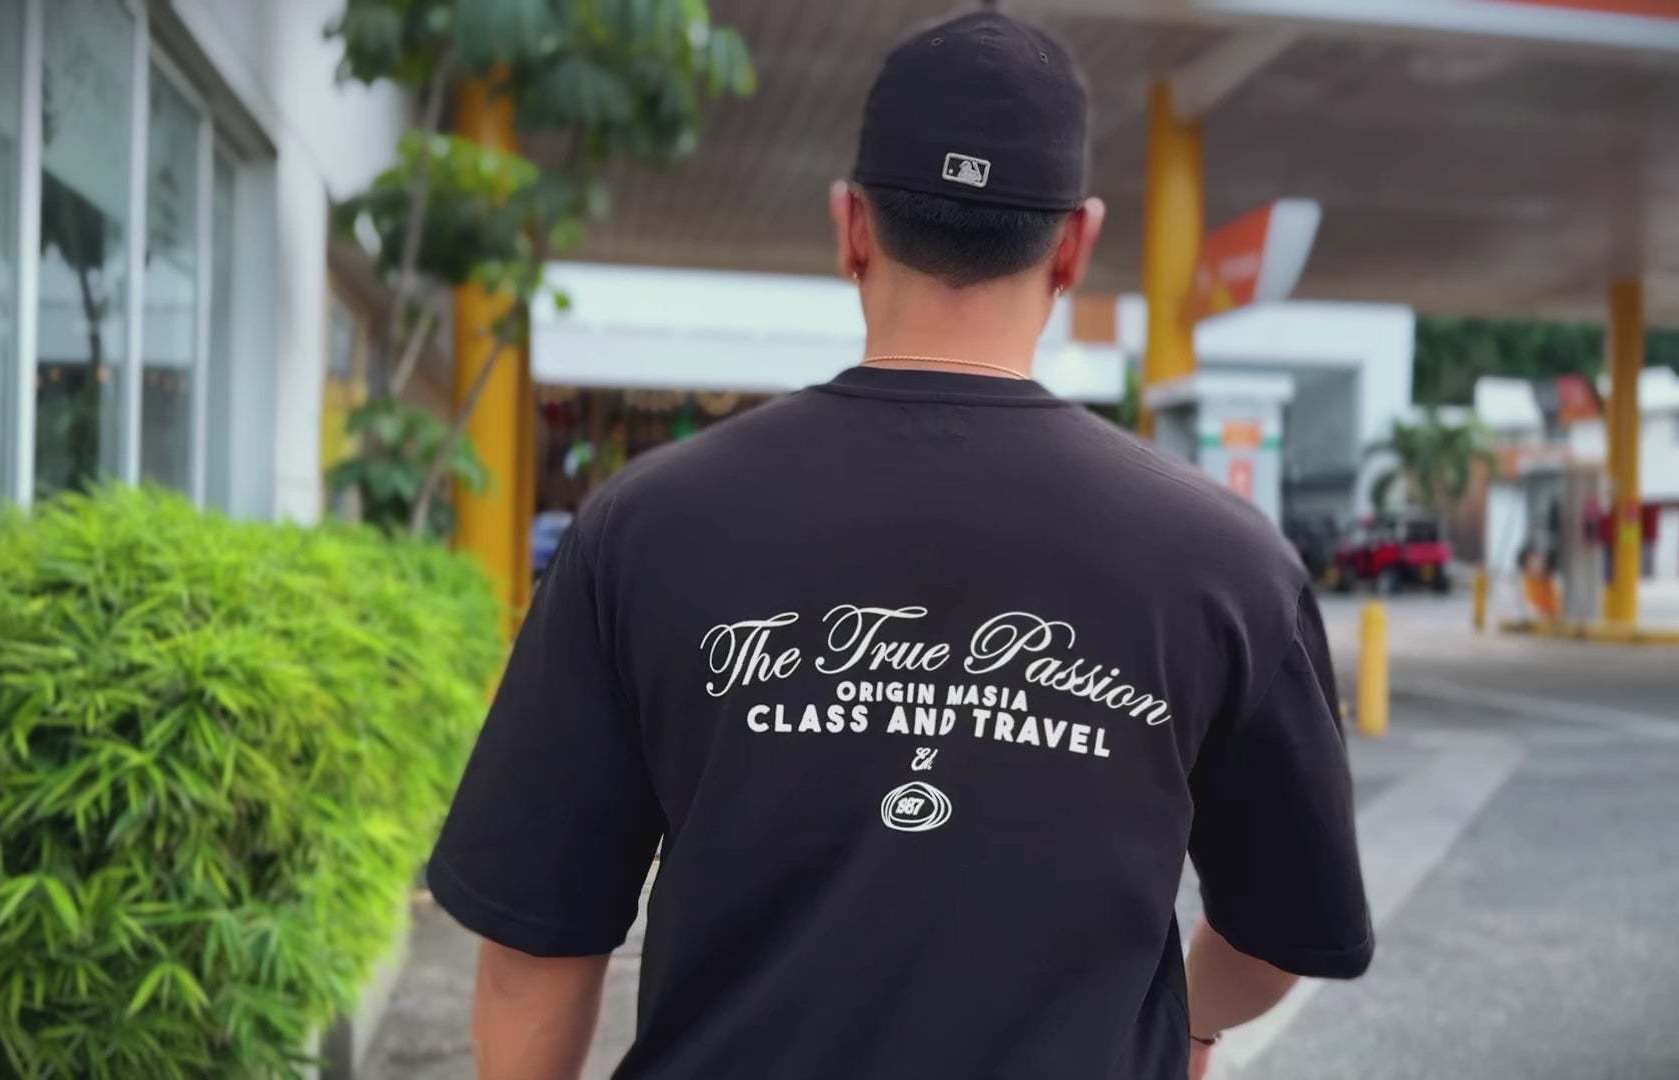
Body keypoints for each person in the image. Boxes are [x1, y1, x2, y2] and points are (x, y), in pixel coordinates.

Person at [427, 11, 1371, 1079]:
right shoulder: (1229, 563)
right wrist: (1184, 1027)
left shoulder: (643, 525)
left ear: (852, 228)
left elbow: (534, 951)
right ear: (1074, 245)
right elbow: (1276, 935)